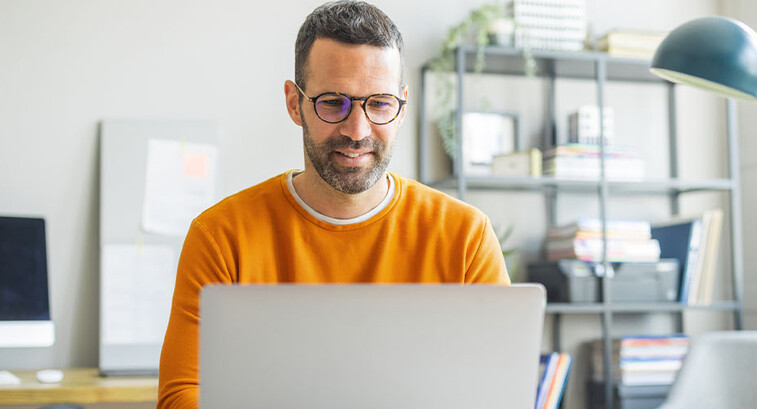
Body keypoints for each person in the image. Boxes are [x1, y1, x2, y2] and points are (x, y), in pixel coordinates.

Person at [157, 1, 509, 407]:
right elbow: (181, 396)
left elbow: (498, 393)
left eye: (378, 103)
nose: (357, 131)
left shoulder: (465, 237)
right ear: (295, 103)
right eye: (332, 102)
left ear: (401, 107)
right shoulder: (221, 237)